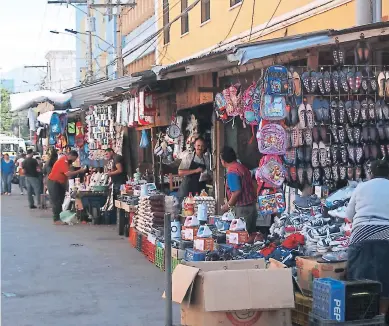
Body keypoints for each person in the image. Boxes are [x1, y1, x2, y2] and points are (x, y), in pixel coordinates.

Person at [346, 160, 389, 321]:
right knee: (385, 280)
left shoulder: (362, 187)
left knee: (358, 280)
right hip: (386, 236)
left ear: (372, 173)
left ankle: (359, 318)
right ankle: (382, 317)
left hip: (361, 235)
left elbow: (348, 216)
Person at [220, 146, 257, 243]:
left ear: (223, 161)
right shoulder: (242, 167)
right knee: (251, 236)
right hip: (251, 207)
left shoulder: (232, 172)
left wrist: (227, 205)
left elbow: (236, 192)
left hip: (242, 209)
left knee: (242, 239)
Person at [47, 150, 86, 224]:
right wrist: (79, 171)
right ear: (71, 156)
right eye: (74, 159)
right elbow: (68, 174)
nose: (74, 161)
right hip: (54, 182)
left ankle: (60, 217)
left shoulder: (67, 162)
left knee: (61, 200)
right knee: (56, 201)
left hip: (60, 183)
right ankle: (56, 219)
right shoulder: (63, 161)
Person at [178, 137, 212, 201]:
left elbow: (210, 172)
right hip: (187, 188)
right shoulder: (188, 157)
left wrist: (208, 175)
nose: (200, 148)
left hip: (200, 188)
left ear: (204, 147)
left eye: (202, 146)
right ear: (194, 146)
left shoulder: (206, 159)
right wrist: (195, 170)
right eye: (198, 145)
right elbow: (180, 172)